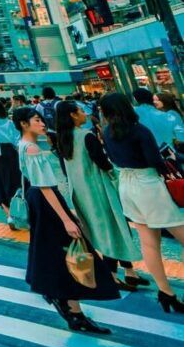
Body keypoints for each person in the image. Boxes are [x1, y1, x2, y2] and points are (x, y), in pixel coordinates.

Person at [13, 106, 116, 332]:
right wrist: (67, 219)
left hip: (38, 201)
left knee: (55, 252)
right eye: (37, 120)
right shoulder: (31, 149)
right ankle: (72, 309)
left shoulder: (22, 145)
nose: (42, 123)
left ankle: (68, 305)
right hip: (47, 200)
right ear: (24, 123)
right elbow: (45, 186)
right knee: (70, 250)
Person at [100, 93, 184, 313]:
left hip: (126, 185)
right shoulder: (139, 131)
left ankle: (166, 292)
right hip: (148, 184)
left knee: (148, 242)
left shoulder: (107, 132)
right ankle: (167, 294)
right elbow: (155, 161)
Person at [52, 100, 144, 291]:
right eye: (80, 111)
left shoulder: (63, 139)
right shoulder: (86, 136)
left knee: (108, 229)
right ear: (72, 115)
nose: (84, 113)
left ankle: (130, 272)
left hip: (80, 192)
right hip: (99, 188)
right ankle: (112, 275)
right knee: (113, 229)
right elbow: (103, 163)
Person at [132, 88, 177, 153]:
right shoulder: (164, 114)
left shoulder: (135, 112)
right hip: (169, 150)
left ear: (136, 99)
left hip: (152, 151)